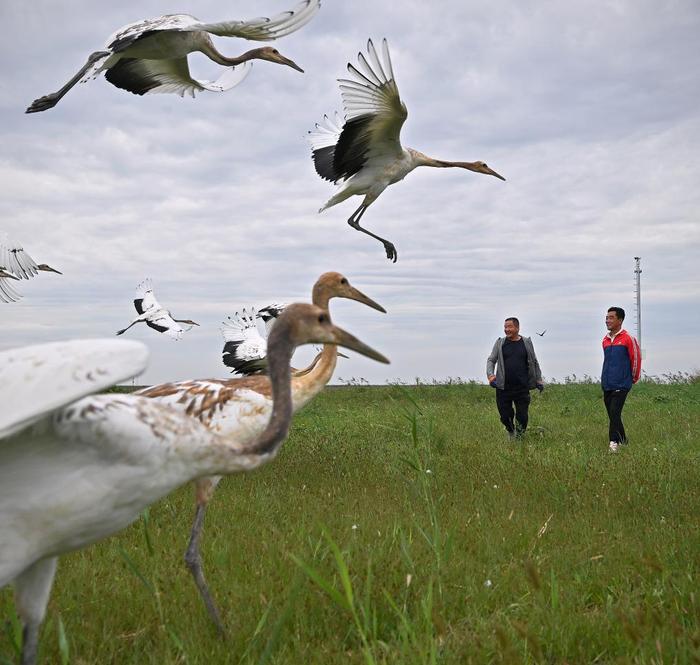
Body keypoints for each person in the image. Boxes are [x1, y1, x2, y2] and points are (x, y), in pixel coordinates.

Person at [486, 317, 544, 438]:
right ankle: (510, 430)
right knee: (505, 415)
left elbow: (534, 362)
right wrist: (491, 375)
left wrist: (538, 379)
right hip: (503, 387)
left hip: (522, 387)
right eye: (505, 327)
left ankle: (520, 437)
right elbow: (491, 360)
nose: (506, 329)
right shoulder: (500, 343)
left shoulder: (526, 342)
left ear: (517, 328)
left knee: (522, 416)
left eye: (509, 327)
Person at [602, 306, 641, 452]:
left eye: (611, 317)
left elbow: (636, 358)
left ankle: (613, 442)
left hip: (622, 383)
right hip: (607, 384)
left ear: (620, 320)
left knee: (614, 412)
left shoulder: (628, 339)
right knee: (613, 415)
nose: (607, 320)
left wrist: (633, 378)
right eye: (607, 317)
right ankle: (624, 440)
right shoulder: (605, 340)